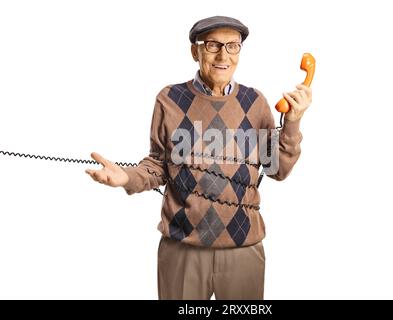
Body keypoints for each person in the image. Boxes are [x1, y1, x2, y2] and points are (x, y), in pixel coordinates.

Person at [85, 16, 312, 300]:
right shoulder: (169, 99)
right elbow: (157, 165)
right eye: (213, 45)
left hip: (243, 249)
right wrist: (126, 177)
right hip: (182, 248)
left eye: (232, 46)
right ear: (195, 51)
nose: (223, 55)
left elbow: (277, 169)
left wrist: (292, 122)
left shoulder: (256, 104)